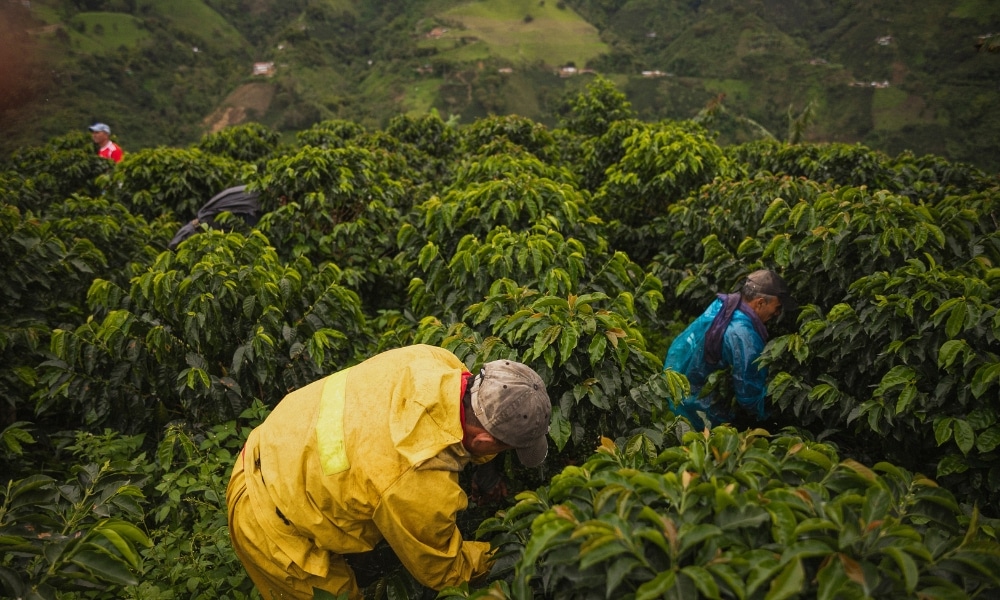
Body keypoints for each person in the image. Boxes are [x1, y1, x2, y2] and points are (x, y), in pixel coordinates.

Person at [226, 344, 552, 599]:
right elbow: (444, 570)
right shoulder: (417, 481)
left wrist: (485, 468)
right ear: (483, 439)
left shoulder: (436, 361)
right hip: (266, 522)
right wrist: (513, 551)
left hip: (273, 443)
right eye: (503, 449)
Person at [664, 269, 797, 429]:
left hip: (677, 383)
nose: (778, 313)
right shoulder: (744, 335)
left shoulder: (725, 305)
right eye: (777, 308)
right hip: (697, 406)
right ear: (760, 303)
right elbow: (749, 394)